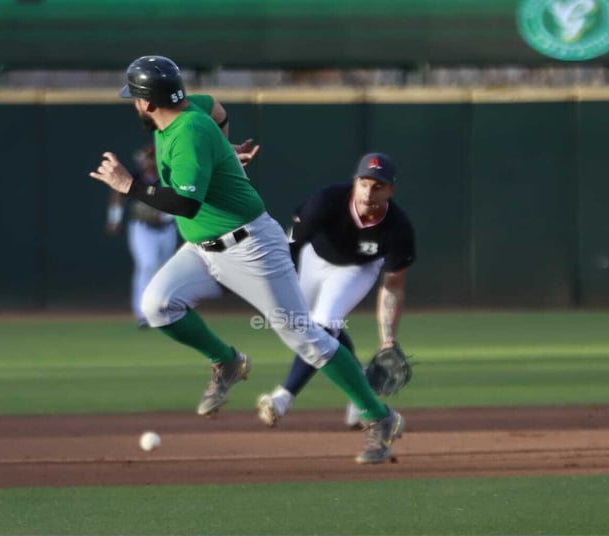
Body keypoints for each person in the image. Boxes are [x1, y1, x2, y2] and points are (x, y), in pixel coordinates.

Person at [89, 54, 404, 464]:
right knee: (157, 305)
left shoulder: (186, 133)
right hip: (203, 249)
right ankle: (227, 361)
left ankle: (379, 417)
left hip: (251, 246)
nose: (133, 104)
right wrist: (223, 152)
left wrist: (128, 185)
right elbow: (217, 108)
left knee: (305, 337)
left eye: (135, 97)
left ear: (148, 102)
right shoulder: (190, 109)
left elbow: (183, 204)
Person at [256, 153, 416, 429]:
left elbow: (393, 288)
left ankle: (283, 397)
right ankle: (362, 382)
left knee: (324, 326)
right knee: (296, 326)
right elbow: (289, 246)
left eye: (378, 186)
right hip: (311, 258)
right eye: (364, 183)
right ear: (355, 183)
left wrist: (388, 340)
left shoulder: (398, 229)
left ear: (391, 190)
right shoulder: (326, 202)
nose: (369, 192)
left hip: (357, 269)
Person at [106, 145, 179, 329]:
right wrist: (115, 218)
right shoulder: (136, 177)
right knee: (146, 265)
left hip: (167, 229)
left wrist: (169, 214)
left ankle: (162, 310)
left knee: (163, 269)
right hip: (142, 227)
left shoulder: (168, 177)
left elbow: (182, 199)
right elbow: (118, 194)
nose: (148, 161)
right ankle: (142, 313)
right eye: (147, 157)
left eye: (152, 157)